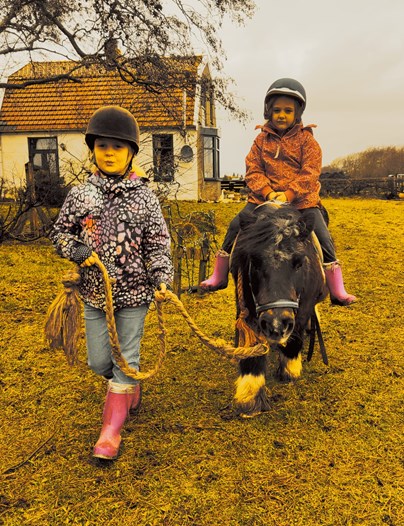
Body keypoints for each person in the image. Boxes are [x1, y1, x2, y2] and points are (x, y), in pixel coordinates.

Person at [50, 106, 173, 460]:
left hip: (135, 294)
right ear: (93, 149)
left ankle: (110, 432)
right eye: (103, 145)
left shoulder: (145, 198)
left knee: (126, 357)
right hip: (94, 294)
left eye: (117, 147)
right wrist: (77, 250)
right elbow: (59, 235)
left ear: (131, 153)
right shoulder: (80, 196)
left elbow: (157, 243)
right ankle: (126, 385)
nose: (109, 153)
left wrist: (161, 277)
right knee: (99, 362)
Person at [200, 78, 356, 306]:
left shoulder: (308, 142)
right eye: (277, 110)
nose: (281, 115)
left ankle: (336, 288)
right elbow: (252, 170)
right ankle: (220, 275)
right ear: (268, 111)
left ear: (297, 113)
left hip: (302, 202)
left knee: (322, 235)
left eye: (287, 111)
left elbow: (310, 172)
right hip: (263, 200)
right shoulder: (261, 141)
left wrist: (289, 194)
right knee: (236, 225)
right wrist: (267, 192)